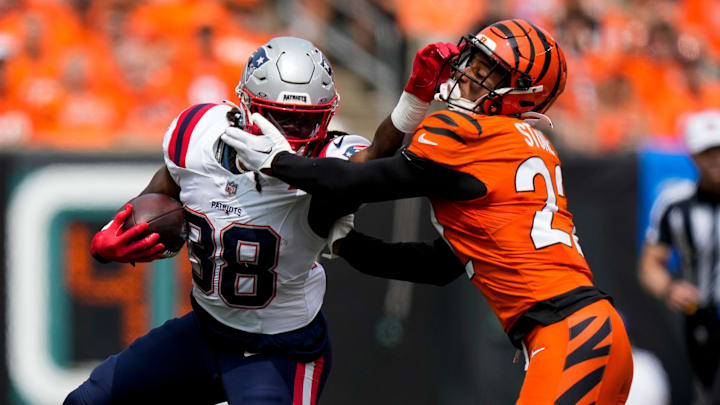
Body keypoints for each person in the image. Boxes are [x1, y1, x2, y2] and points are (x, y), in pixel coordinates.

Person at [222, 19, 634, 404]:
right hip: (592, 331)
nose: (468, 73)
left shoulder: (470, 134)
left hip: (566, 331)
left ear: (522, 94)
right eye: (473, 59)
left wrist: (278, 161)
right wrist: (348, 245)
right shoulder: (520, 144)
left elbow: (360, 179)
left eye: (487, 71)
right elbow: (437, 266)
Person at [64, 36, 369, 405]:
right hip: (205, 332)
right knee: (86, 401)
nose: (287, 136)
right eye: (278, 117)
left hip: (280, 352)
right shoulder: (199, 136)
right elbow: (165, 187)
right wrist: (116, 233)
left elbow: (370, 169)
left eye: (303, 123)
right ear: (247, 107)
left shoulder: (329, 165)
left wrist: (409, 109)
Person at [640, 109, 720, 404]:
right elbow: (650, 264)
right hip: (701, 318)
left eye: (719, 150)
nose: (715, 160)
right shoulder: (676, 203)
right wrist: (670, 288)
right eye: (707, 152)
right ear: (693, 157)